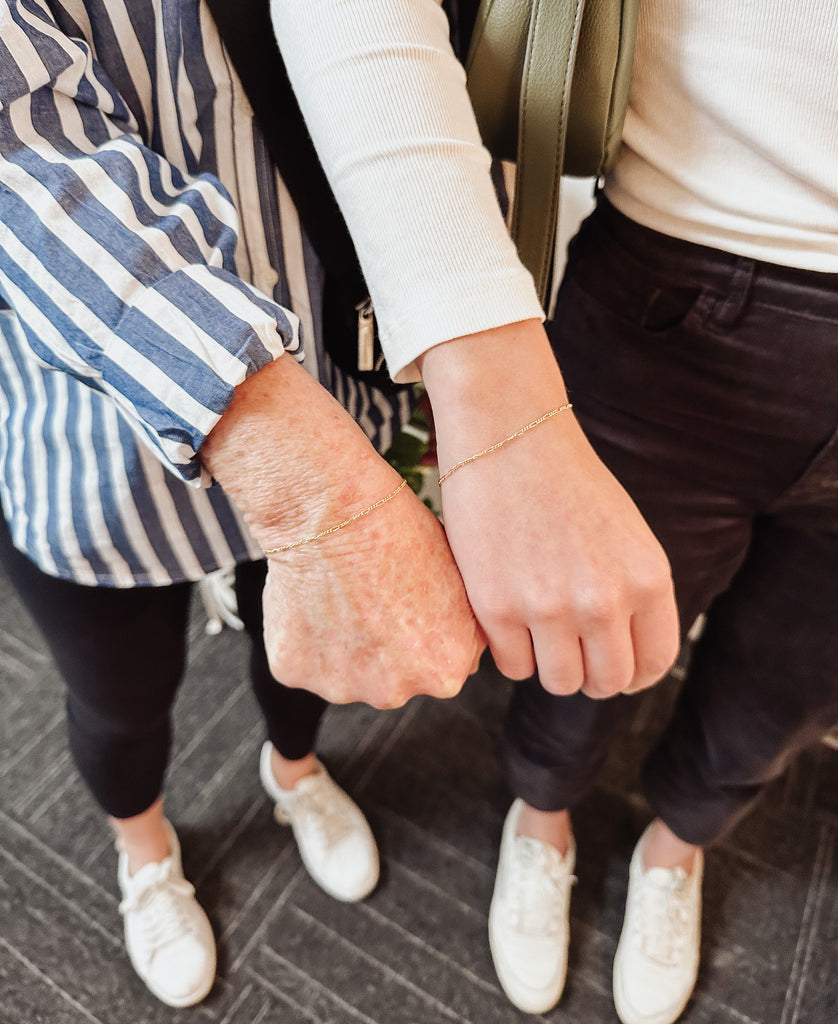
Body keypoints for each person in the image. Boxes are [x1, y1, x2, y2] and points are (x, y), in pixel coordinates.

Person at [269, 2, 838, 1023]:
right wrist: (487, 378)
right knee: (579, 651)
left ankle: (678, 846)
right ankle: (542, 819)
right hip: (701, 265)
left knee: (791, 683)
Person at [0, 0, 486, 1008]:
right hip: (88, 415)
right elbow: (27, 155)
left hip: (327, 348)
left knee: (307, 648)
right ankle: (145, 855)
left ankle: (294, 773)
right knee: (120, 695)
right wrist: (320, 496)